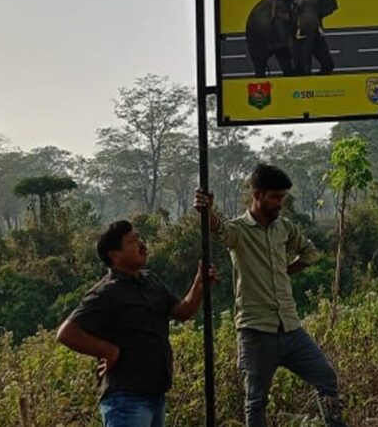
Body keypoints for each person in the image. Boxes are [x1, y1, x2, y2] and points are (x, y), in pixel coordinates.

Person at [193, 164, 348, 427]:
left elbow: (309, 253)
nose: (280, 203)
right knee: (256, 401)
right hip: (256, 330)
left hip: (290, 326)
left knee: (326, 377)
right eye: (275, 197)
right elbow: (218, 229)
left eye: (282, 197)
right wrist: (206, 210)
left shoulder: (284, 228)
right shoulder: (239, 230)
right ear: (257, 195)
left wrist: (284, 271)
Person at [56, 220, 217, 427]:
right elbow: (67, 333)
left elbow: (182, 312)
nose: (142, 245)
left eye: (139, 238)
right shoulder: (106, 293)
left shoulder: (150, 281)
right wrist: (110, 352)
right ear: (115, 255)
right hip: (125, 400)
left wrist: (199, 284)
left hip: (156, 396)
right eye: (133, 241)